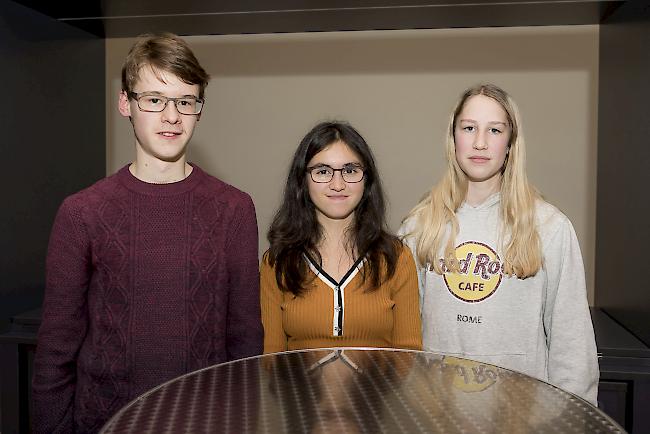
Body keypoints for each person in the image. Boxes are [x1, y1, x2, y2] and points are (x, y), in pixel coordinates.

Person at [32, 33, 263, 433]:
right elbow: (56, 351)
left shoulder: (234, 210)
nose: (171, 116)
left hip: (204, 424)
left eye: (185, 102)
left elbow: (245, 345)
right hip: (104, 423)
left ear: (198, 110)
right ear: (126, 103)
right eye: (154, 99)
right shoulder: (82, 212)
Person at [399, 84, 599, 405]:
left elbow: (572, 344)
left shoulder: (550, 227)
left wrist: (575, 419)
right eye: (469, 128)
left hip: (521, 417)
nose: (480, 142)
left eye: (494, 130)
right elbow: (404, 340)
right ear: (453, 139)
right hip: (436, 415)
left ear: (510, 143)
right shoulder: (418, 227)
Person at [261, 121, 422, 353]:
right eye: (323, 171)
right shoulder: (277, 262)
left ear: (366, 180)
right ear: (303, 180)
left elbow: (409, 355)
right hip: (298, 391)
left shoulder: (397, 258)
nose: (338, 184)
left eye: (350, 171)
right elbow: (271, 358)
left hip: (380, 390)